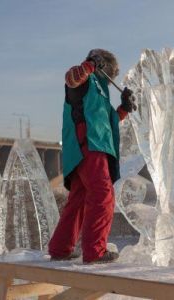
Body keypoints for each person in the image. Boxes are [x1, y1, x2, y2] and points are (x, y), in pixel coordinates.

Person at [48, 49, 136, 264]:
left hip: (85, 147)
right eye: (111, 73)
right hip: (90, 145)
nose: (111, 80)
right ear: (103, 66)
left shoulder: (99, 93)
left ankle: (60, 248)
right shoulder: (84, 80)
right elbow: (71, 78)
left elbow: (108, 121)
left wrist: (123, 108)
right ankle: (95, 251)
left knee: (78, 199)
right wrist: (88, 65)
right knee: (102, 195)